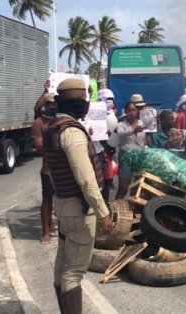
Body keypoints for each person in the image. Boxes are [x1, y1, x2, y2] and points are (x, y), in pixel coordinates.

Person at [43, 78, 112, 313]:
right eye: (85, 100)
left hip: (64, 205)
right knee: (74, 272)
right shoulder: (72, 133)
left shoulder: (54, 127)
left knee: (63, 264)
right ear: (79, 105)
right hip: (78, 210)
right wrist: (103, 211)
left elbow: (55, 172)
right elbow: (85, 178)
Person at [31, 93, 57, 244]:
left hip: (63, 168)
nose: (54, 106)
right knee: (47, 200)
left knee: (63, 200)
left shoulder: (61, 119)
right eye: (52, 104)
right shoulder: (39, 123)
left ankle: (55, 226)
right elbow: (39, 146)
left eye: (56, 104)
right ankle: (45, 231)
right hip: (48, 169)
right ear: (46, 106)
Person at [115, 102, 146, 199]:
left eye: (134, 110)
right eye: (129, 110)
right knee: (123, 186)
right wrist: (133, 130)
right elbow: (120, 134)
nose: (132, 113)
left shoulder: (142, 123)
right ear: (126, 112)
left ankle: (131, 208)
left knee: (137, 186)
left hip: (140, 157)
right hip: (126, 157)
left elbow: (147, 138)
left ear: (137, 111)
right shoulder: (121, 124)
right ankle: (117, 207)